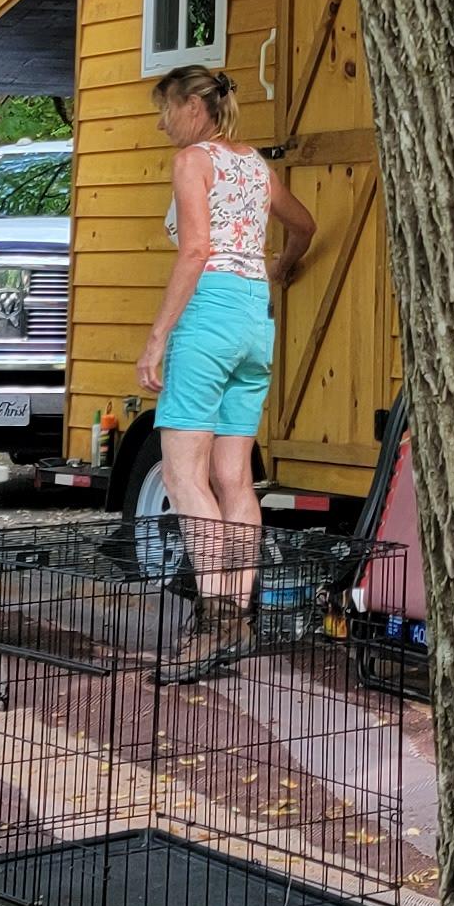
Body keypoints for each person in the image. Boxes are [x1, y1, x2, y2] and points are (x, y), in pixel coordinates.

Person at [133, 62, 315, 658]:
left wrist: (158, 335)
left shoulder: (194, 162)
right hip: (254, 319)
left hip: (208, 316)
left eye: (165, 109)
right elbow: (303, 225)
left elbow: (195, 251)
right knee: (235, 477)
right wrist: (280, 269)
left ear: (193, 106)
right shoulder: (257, 166)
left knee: (185, 475)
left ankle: (211, 623)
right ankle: (238, 617)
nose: (162, 125)